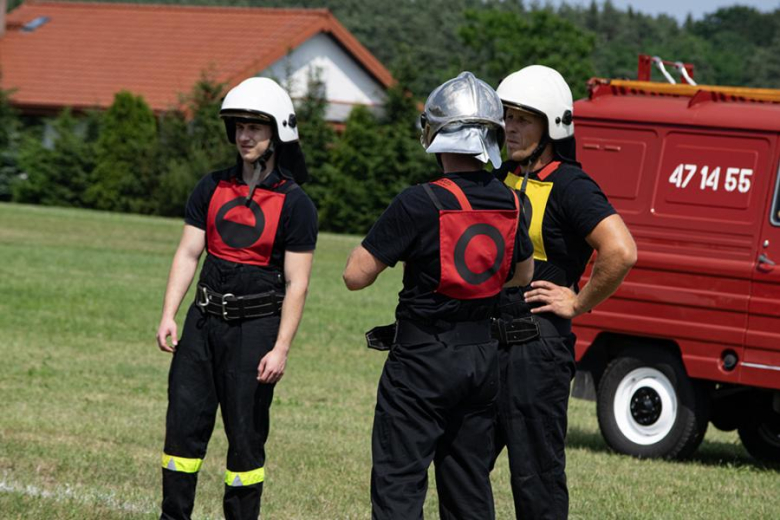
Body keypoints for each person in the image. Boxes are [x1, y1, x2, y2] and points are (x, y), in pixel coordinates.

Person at [343, 71, 534, 520]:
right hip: (482, 358)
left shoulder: (419, 201)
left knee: (399, 484)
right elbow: (521, 276)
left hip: (421, 359)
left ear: (437, 134)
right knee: (468, 485)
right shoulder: (512, 201)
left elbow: (355, 276)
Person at [155, 77, 318, 520]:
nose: (245, 136)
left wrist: (281, 348)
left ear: (278, 133)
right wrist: (170, 314)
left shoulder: (296, 203)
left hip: (256, 331)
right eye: (239, 126)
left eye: (256, 127)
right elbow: (188, 253)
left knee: (245, 440)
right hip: (202, 325)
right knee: (182, 435)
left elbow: (298, 283)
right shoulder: (210, 187)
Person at [490, 65, 637, 519]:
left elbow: (621, 250)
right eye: (507, 117)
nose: (511, 128)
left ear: (552, 125)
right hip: (487, 340)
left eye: (523, 119)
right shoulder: (500, 176)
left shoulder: (572, 184)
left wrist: (577, 302)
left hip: (538, 348)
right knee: (463, 458)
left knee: (534, 474)